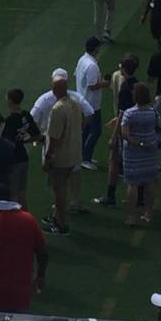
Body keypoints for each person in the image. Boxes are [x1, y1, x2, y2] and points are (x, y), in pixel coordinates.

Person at [33, 67, 93, 234]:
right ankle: (58, 217)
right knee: (63, 187)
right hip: (72, 152)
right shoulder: (74, 103)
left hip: (60, 156)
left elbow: (53, 138)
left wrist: (48, 157)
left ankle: (60, 223)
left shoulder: (57, 109)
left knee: (58, 189)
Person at [119, 81, 161, 232]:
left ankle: (131, 217)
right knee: (149, 183)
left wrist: (137, 143)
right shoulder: (153, 112)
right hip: (151, 151)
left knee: (132, 185)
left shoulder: (129, 113)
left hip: (133, 153)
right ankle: (148, 213)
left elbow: (125, 133)